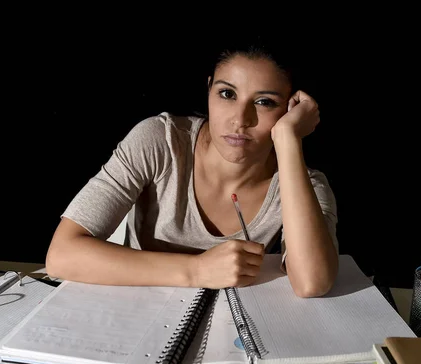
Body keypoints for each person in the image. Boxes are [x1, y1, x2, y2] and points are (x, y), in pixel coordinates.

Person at [45, 36, 339, 297]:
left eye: (264, 102)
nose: (240, 119)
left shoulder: (303, 184)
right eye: (227, 94)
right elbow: (61, 256)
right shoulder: (161, 141)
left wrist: (288, 139)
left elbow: (313, 283)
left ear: (291, 109)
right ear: (209, 88)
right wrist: (198, 270)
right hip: (136, 312)